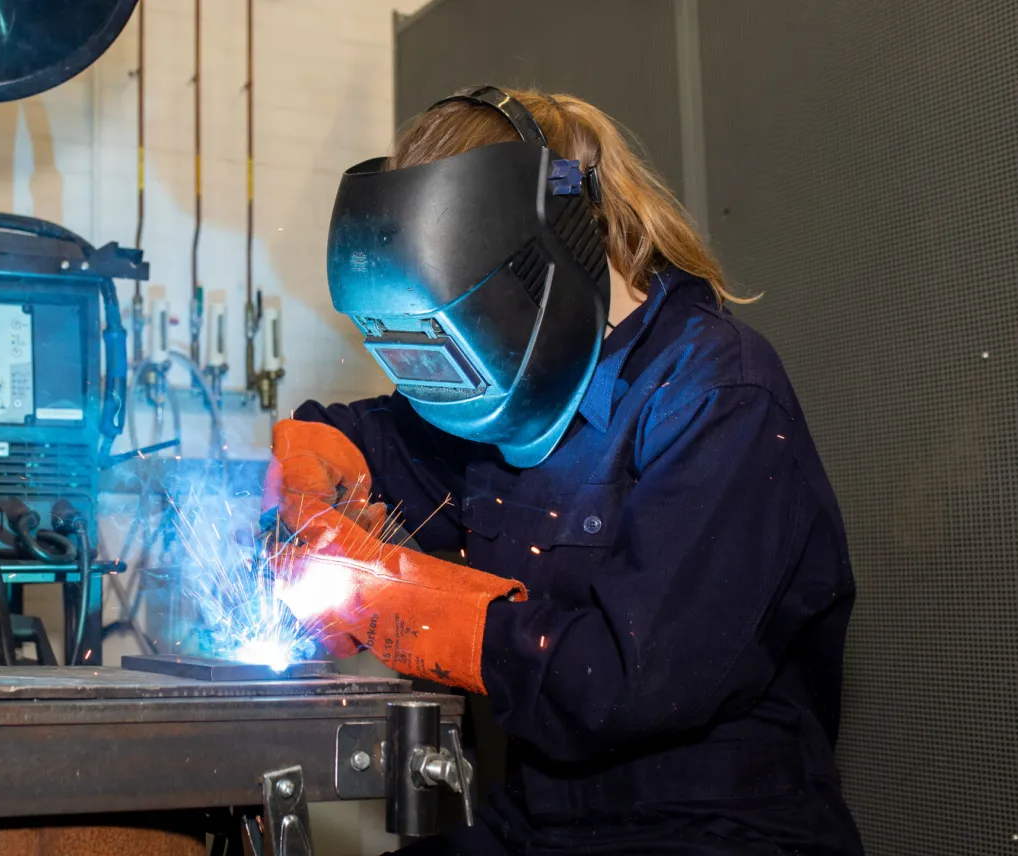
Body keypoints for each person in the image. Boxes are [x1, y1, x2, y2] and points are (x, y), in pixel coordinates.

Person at [264, 86, 863, 854]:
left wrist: (399, 604)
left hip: (716, 831)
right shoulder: (506, 389)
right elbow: (381, 438)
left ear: (547, 246)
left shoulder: (718, 397)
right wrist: (315, 470)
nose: (445, 380)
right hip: (540, 826)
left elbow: (620, 683)